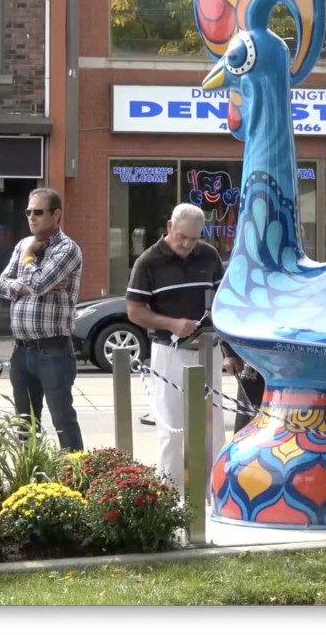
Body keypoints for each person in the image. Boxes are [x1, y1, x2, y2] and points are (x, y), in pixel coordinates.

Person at [125, 203, 225, 490]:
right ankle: (172, 493)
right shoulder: (148, 261)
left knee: (212, 426)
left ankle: (212, 493)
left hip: (208, 348)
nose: (188, 244)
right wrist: (171, 323)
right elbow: (134, 311)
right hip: (169, 351)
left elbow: (223, 302)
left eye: (195, 238)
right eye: (183, 236)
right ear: (170, 227)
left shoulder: (208, 255)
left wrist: (230, 351)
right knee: (172, 426)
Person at [0, 188, 85, 451]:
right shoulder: (24, 243)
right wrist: (25, 285)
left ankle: (75, 481)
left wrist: (28, 261)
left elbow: (38, 282)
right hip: (21, 350)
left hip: (53, 350)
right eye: (28, 212)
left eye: (38, 212)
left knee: (63, 422)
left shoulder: (68, 249)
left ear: (56, 214)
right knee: (25, 425)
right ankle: (29, 481)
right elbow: (1, 284)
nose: (31, 217)